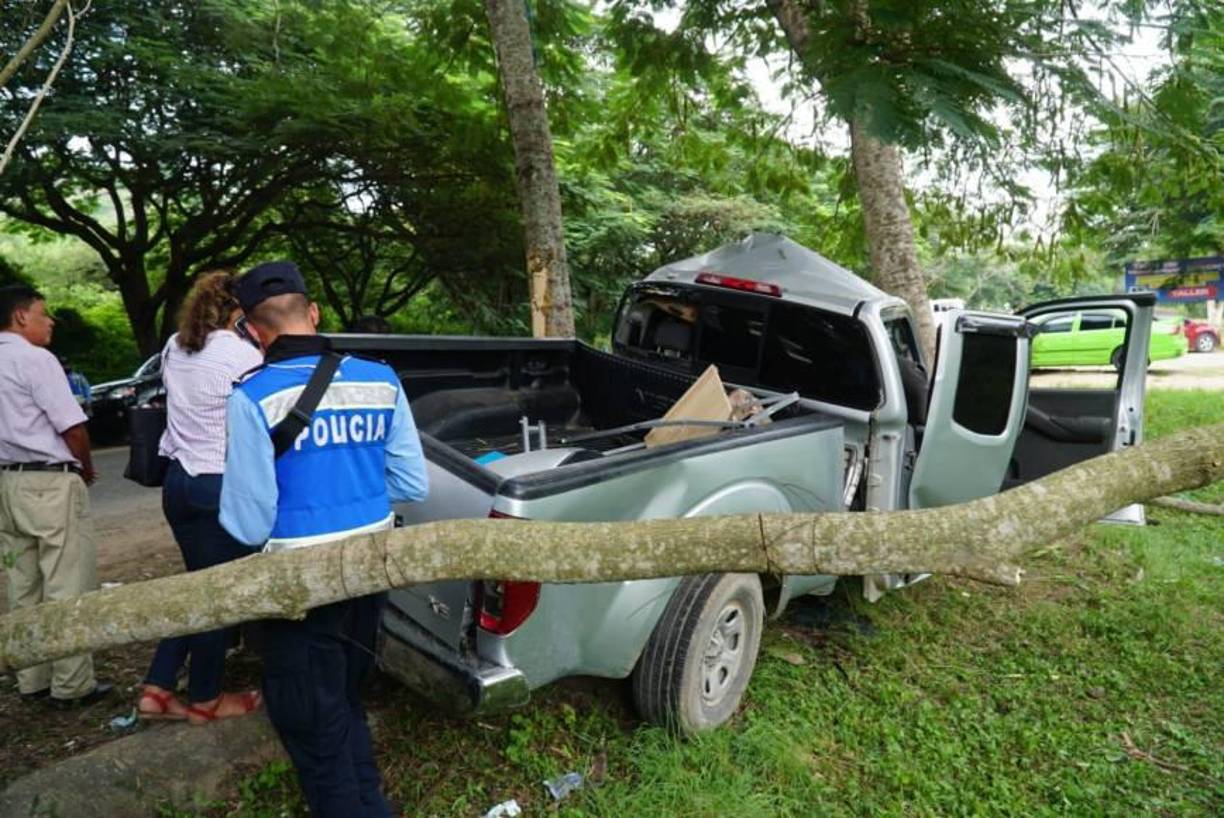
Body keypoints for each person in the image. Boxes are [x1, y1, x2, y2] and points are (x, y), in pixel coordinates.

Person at [219, 261, 428, 817]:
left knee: (311, 722)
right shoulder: (381, 379)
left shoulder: (252, 397)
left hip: (297, 590)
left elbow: (246, 522)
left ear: (253, 331)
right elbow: (412, 482)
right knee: (345, 700)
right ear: (313, 313)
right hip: (368, 573)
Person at [136, 270, 266, 724]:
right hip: (219, 484)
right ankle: (207, 699)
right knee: (217, 595)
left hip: (179, 484)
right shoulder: (241, 354)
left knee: (197, 584)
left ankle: (157, 687)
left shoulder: (174, 345)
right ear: (240, 308)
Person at [0, 285, 112, 708]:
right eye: (44, 314)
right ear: (21, 317)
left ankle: (32, 678)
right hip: (48, 479)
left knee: (23, 582)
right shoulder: (35, 359)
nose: (50, 323)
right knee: (67, 582)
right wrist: (84, 467)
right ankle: (72, 683)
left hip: (7, 482)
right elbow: (72, 427)